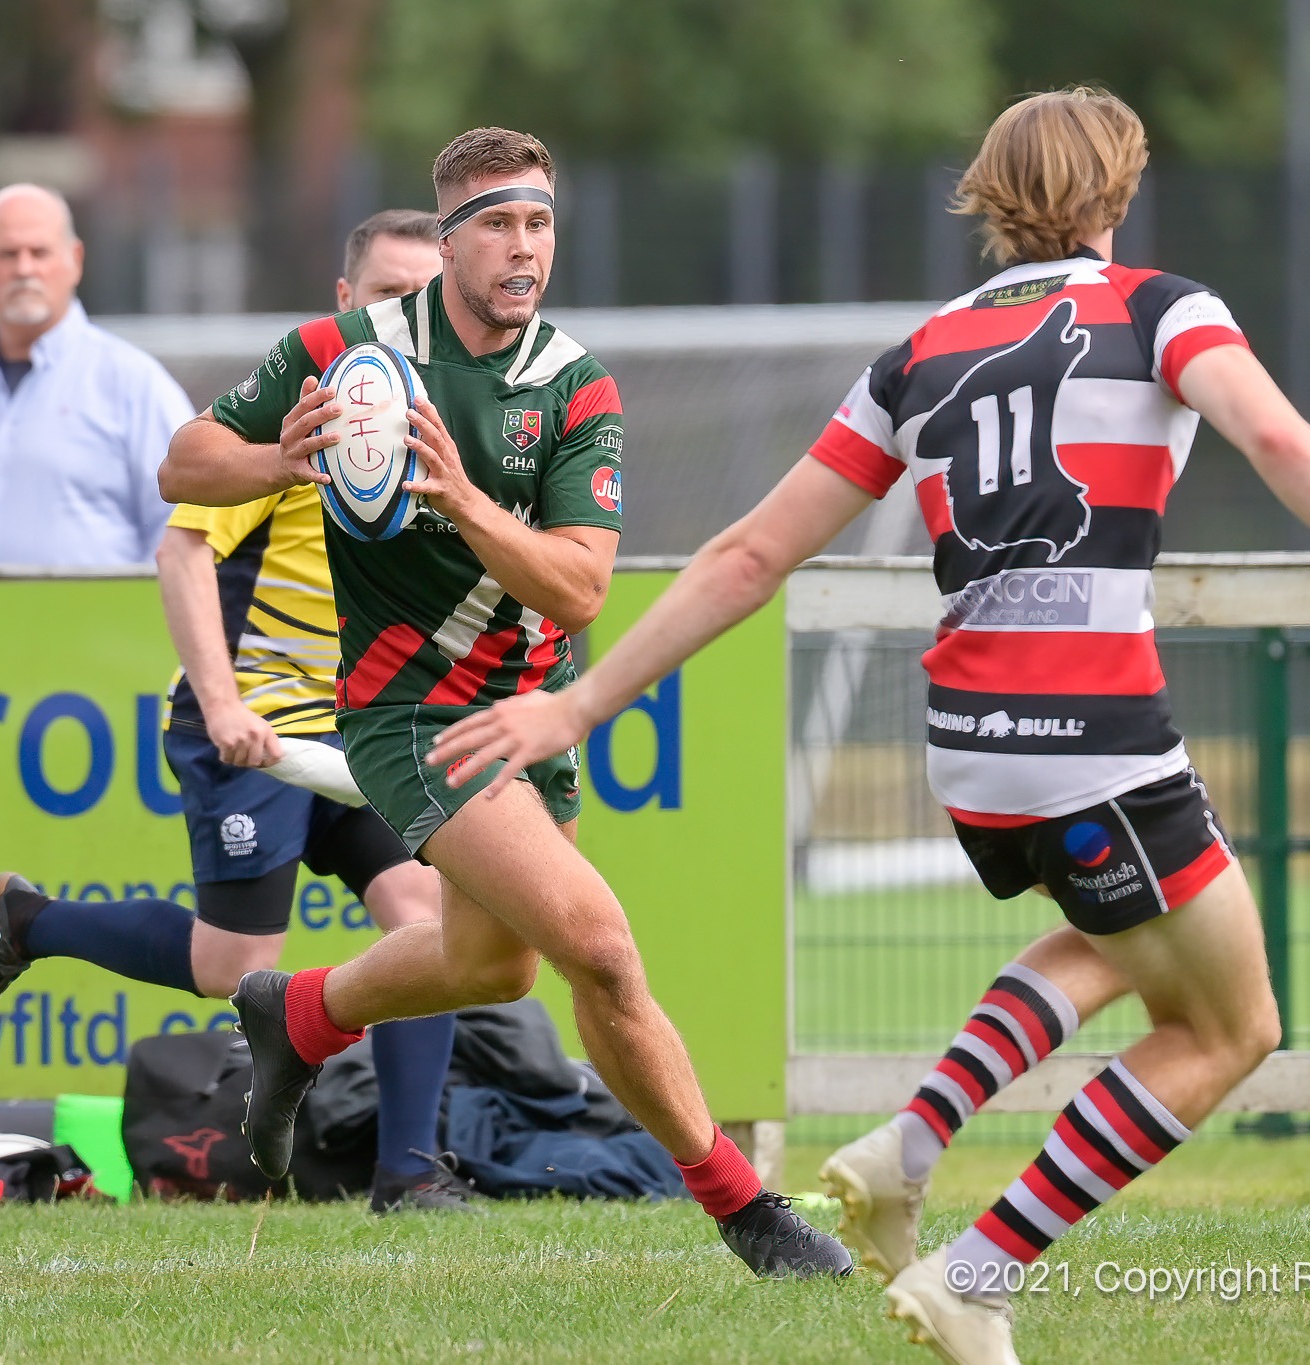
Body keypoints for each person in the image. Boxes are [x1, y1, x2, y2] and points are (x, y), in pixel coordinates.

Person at [422, 91, 1310, 1362]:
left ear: (992, 195)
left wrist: (579, 698)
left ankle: (902, 1147)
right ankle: (980, 1269)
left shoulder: (920, 351)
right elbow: (1278, 435)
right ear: (1116, 193)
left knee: (1117, 933)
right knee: (1233, 1028)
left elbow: (747, 556)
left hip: (967, 745)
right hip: (1096, 733)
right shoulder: (1158, 306)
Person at [155, 126, 852, 1278]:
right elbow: (184, 464)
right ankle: (747, 1212)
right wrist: (286, 458)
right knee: (601, 951)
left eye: (537, 223)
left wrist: (466, 500)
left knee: (495, 968)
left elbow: (579, 588)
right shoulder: (347, 352)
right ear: (446, 242)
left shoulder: (574, 385)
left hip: (533, 708)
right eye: (495, 224)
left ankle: (298, 1014)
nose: (522, 247)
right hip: (408, 715)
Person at [0, 209, 470, 1213]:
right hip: (255, 728)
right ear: (344, 304)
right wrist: (223, 703)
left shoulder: (446, 432)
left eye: (427, 298)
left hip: (361, 734)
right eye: (390, 295)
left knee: (429, 924)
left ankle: (408, 1175)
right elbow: (180, 548)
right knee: (234, 961)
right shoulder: (300, 420)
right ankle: (31, 924)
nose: (410, 318)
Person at [0, 184, 191, 568]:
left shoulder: (134, 385)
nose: (24, 269)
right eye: (7, 254)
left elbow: (183, 528)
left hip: (97, 629)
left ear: (75, 259)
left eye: (40, 252)